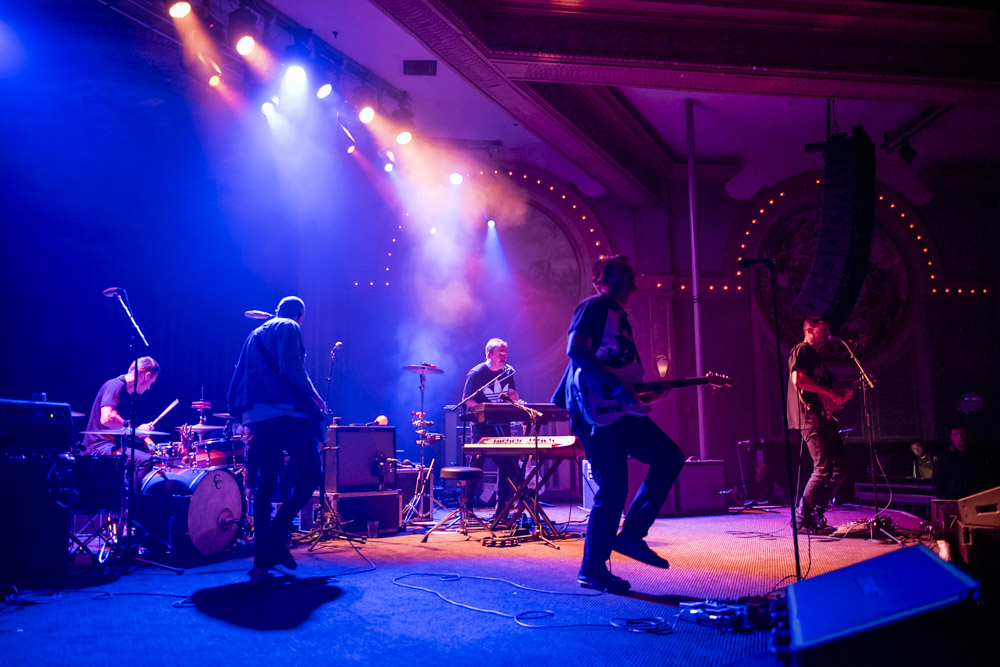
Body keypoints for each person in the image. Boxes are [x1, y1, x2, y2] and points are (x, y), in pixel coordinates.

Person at [552, 255, 684, 593]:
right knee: (613, 487)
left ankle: (631, 536)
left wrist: (645, 393)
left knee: (668, 457)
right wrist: (617, 386)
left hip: (616, 410)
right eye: (623, 271)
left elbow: (621, 374)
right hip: (593, 411)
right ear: (604, 280)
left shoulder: (620, 317)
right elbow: (576, 351)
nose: (632, 275)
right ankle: (593, 569)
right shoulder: (595, 306)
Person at [228, 296, 326, 579]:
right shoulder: (289, 326)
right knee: (312, 474)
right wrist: (316, 399)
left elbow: (240, 374)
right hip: (286, 412)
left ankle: (262, 554)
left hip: (259, 415)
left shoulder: (254, 334)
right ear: (300, 315)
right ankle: (279, 529)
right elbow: (292, 369)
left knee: (266, 481)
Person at [787, 316, 853, 532]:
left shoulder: (817, 359)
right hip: (809, 417)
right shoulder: (801, 350)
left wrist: (840, 395)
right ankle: (801, 519)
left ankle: (816, 513)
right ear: (810, 331)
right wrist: (831, 393)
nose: (827, 335)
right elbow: (799, 380)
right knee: (823, 468)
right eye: (823, 330)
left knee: (841, 466)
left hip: (823, 416)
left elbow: (825, 391)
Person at [462, 338, 523, 513]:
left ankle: (502, 507)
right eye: (500, 353)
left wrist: (515, 405)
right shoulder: (477, 373)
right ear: (489, 355)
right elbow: (468, 400)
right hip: (482, 427)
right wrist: (485, 412)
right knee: (477, 464)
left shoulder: (507, 372)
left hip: (502, 425)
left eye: (505, 352)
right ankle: (468, 507)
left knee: (505, 465)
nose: (504, 356)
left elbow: (512, 393)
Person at [81, 356, 160, 487]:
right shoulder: (114, 385)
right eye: (151, 382)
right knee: (146, 461)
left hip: (109, 446)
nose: (149, 388)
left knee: (149, 457)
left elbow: (122, 428)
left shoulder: (126, 395)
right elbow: (107, 418)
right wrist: (136, 430)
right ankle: (130, 498)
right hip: (98, 447)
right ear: (146, 375)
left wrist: (146, 440)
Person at [932, 426, 996, 500]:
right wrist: (948, 501)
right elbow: (937, 482)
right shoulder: (945, 458)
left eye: (962, 433)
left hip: (978, 498)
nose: (960, 437)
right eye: (956, 434)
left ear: (967, 435)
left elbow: (988, 476)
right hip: (956, 500)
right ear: (951, 437)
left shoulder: (978, 454)